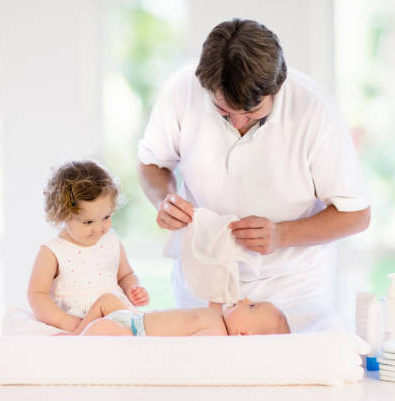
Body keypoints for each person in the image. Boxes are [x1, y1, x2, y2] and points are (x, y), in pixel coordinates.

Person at [137, 19, 371, 330]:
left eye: (251, 112)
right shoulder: (181, 91)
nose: (236, 123)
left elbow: (356, 215)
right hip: (202, 290)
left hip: (290, 296)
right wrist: (163, 200)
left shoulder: (313, 111)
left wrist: (282, 234)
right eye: (224, 112)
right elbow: (152, 163)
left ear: (277, 86)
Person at [27, 159, 149, 332]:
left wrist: (133, 289)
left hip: (116, 315)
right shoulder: (52, 252)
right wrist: (62, 319)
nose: (99, 228)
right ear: (62, 215)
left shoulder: (111, 239)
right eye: (88, 222)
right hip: (77, 323)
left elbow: (125, 275)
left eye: (106, 217)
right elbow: (37, 294)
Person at [62, 292, 290, 337]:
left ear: (242, 335)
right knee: (107, 300)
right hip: (134, 318)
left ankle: (81, 340)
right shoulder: (217, 318)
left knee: (102, 327)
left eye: (251, 307)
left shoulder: (216, 336)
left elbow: (187, 352)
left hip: (133, 335)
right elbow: (215, 297)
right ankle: (77, 332)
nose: (245, 300)